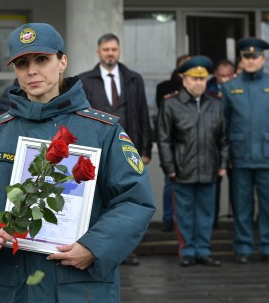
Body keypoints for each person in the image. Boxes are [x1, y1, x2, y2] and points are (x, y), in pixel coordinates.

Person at [0, 22, 155, 303]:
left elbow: (134, 200)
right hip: (12, 301)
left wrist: (94, 247)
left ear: (62, 62)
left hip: (77, 299)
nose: (32, 71)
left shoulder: (102, 131)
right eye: (22, 64)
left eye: (41, 60)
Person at [79, 33, 153, 265]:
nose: (110, 53)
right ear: (98, 52)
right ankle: (96, 247)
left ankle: (126, 250)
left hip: (126, 150)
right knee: (97, 200)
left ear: (119, 51)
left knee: (125, 200)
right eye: (106, 49)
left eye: (114, 49)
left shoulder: (133, 79)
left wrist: (145, 149)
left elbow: (143, 114)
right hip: (94, 150)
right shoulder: (85, 80)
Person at [221, 37, 269, 264]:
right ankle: (243, 247)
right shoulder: (230, 86)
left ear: (263, 59)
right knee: (241, 206)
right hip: (240, 156)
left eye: (255, 57)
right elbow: (222, 124)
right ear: (241, 60)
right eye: (246, 57)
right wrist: (226, 156)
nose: (250, 61)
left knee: (267, 206)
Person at [157, 56, 229, 267]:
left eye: (202, 79)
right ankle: (187, 250)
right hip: (182, 169)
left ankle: (204, 250)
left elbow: (224, 138)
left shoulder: (216, 103)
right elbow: (163, 139)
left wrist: (223, 164)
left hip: (210, 168)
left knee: (206, 214)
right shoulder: (171, 104)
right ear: (184, 79)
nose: (199, 83)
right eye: (194, 79)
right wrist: (169, 167)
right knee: (185, 214)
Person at [155, 54, 190, 232]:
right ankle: (169, 219)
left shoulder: (197, 88)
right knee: (171, 184)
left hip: (192, 145)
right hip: (174, 143)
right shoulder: (165, 88)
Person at [205, 59, 236, 228]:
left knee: (239, 189)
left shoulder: (240, 88)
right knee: (212, 188)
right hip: (214, 147)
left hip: (237, 145)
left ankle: (239, 221)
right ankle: (213, 222)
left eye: (229, 76)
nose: (225, 80)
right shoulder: (206, 89)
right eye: (221, 76)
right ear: (215, 74)